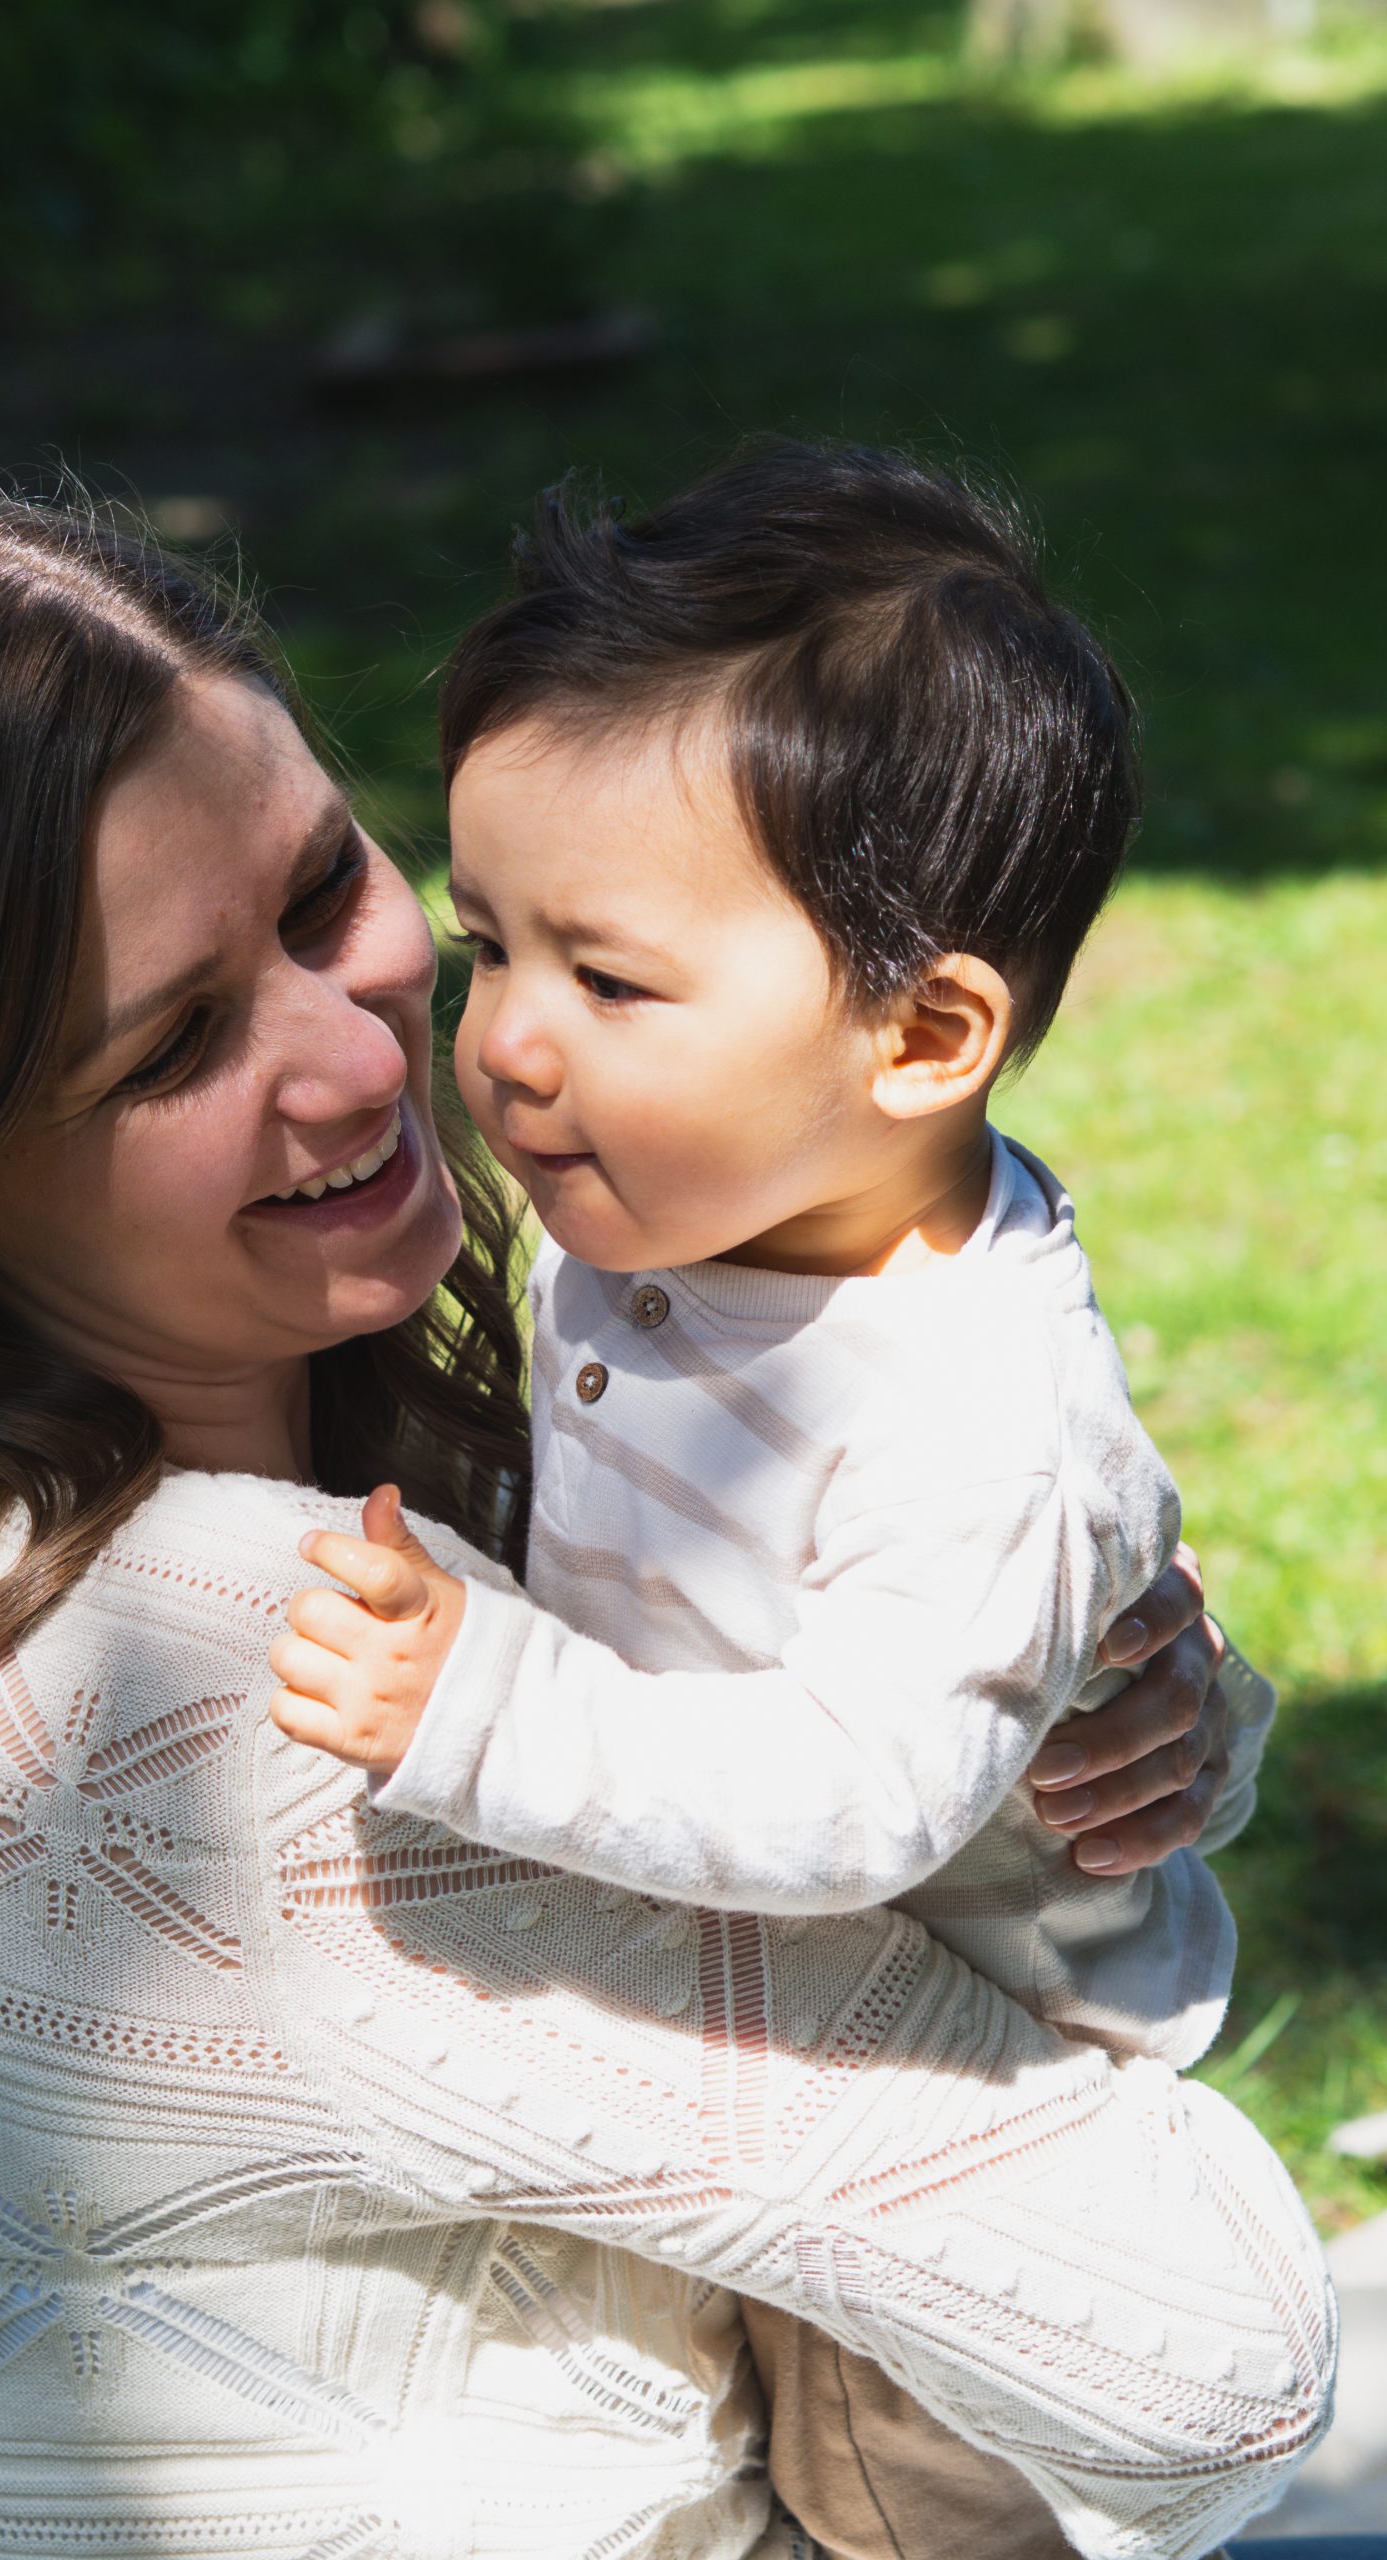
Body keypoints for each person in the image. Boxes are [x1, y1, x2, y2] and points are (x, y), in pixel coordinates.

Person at [0, 488, 1331, 2560]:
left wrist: (1083, 1714)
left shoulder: (4, 1551)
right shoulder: (242, 1721)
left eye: (322, 892)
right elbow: (1215, 2359)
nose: (380, 1041)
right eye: (172, 1043)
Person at [266, 442, 1285, 2557]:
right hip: (751, 2020)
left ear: (922, 1035)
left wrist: (477, 1706)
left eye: (608, 980)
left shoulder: (976, 1412)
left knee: (891, 2520)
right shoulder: (684, 1199)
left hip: (966, 2114)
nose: (506, 1046)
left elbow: (855, 1807)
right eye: (490, 946)